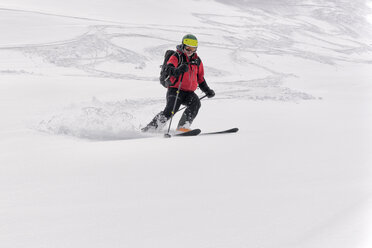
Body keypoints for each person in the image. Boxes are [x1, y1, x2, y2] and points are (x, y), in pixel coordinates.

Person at [141, 34, 215, 133]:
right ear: (183, 46)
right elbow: (169, 68)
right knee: (170, 111)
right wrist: (178, 70)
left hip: (189, 92)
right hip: (175, 90)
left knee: (195, 103)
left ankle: (183, 126)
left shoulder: (197, 61)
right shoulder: (177, 56)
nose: (190, 52)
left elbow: (200, 78)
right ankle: (151, 128)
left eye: (193, 49)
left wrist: (207, 90)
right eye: (188, 48)